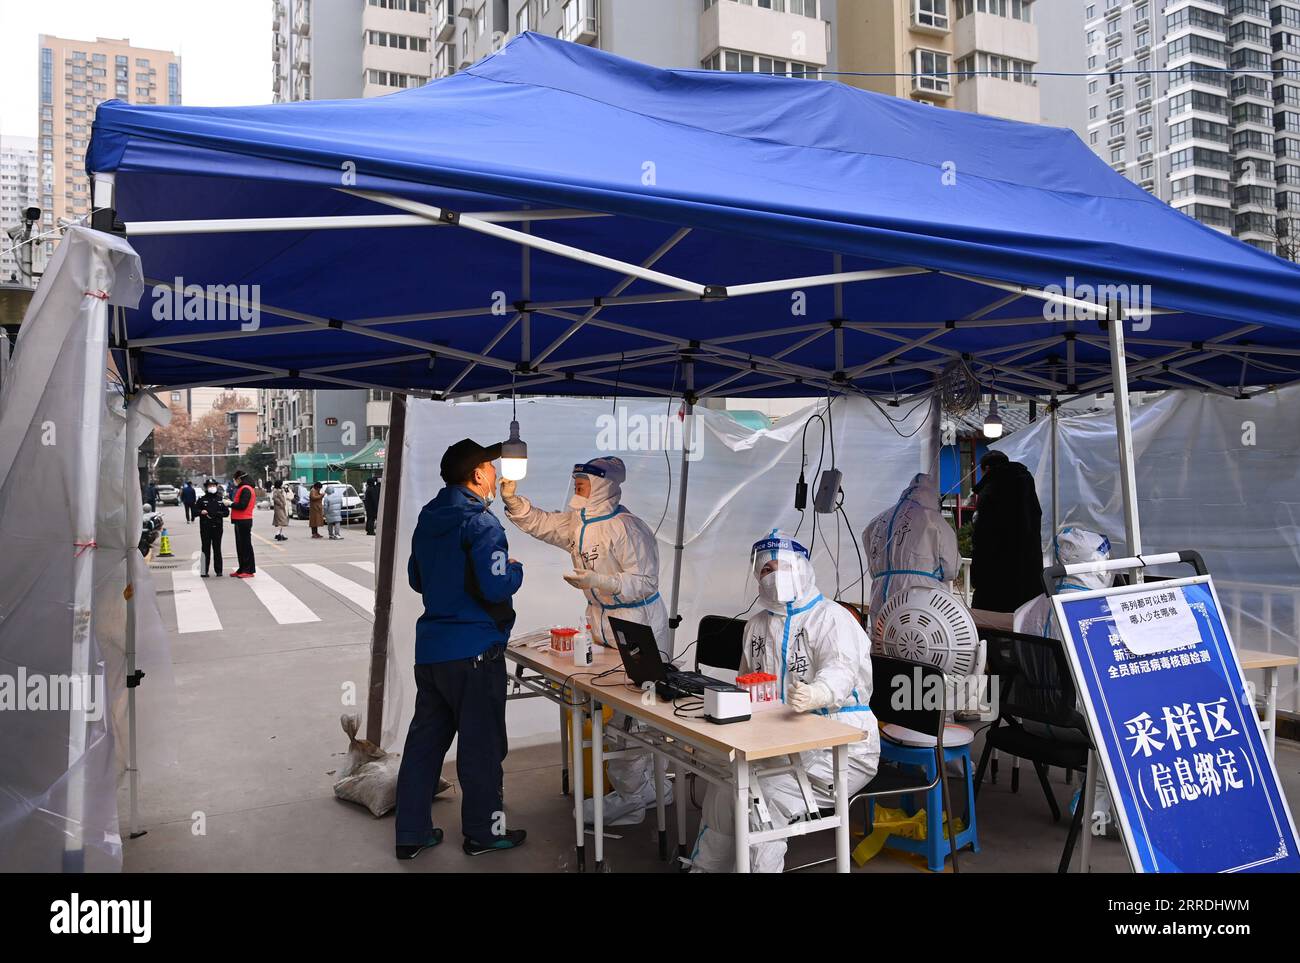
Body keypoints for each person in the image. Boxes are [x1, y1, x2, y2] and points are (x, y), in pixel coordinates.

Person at [690, 531, 880, 872]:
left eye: (781, 566)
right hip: (779, 743)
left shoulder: (832, 618)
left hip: (840, 747)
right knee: (722, 787)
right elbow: (746, 683)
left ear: (802, 568)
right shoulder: (757, 625)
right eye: (765, 570)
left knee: (758, 796)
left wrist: (818, 693)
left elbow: (842, 670)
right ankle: (706, 868)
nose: (773, 576)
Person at [501, 455, 671, 826]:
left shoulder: (627, 529)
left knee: (634, 720)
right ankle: (646, 788)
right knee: (615, 712)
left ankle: (634, 799)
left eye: (584, 482)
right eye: (575, 480)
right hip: (605, 625)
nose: (577, 487)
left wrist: (604, 583)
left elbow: (645, 582)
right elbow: (547, 525)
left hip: (638, 626)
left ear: (604, 485)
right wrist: (516, 503)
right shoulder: (581, 521)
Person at [395, 438, 526, 860]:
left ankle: (411, 833)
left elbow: (418, 579)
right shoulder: (481, 523)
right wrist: (515, 572)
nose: (496, 473)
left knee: (424, 745)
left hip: (432, 652)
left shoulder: (428, 518)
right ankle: (483, 835)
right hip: (474, 652)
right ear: (476, 475)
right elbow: (495, 585)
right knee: (481, 747)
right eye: (491, 467)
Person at [1012, 526, 1115, 825]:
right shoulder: (1099, 613)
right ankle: (1097, 801)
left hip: (1030, 718)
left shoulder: (1028, 610)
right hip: (1075, 724)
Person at [863, 472, 961, 634]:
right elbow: (950, 568)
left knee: (883, 641)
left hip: (880, 592)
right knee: (919, 642)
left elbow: (871, 560)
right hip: (921, 593)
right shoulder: (933, 519)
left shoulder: (878, 520)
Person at [971, 450, 1043, 612]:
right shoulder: (1025, 483)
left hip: (996, 578)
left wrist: (978, 578)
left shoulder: (991, 490)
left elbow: (983, 540)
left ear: (987, 469)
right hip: (1028, 576)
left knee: (992, 627)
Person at [195, 479, 228, 577]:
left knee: (217, 548)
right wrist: (201, 512)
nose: (212, 487)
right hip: (205, 527)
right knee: (205, 549)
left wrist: (218, 514)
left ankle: (219, 570)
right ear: (206, 487)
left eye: (213, 485)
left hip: (217, 527)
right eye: (210, 486)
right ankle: (204, 571)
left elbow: (226, 513)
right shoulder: (201, 499)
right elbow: (194, 511)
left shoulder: (220, 499)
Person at [229, 470, 257, 578]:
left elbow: (242, 505)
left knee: (246, 546)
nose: (234, 482)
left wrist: (230, 504)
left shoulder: (246, 489)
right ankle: (242, 568)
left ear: (240, 479)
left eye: (235, 479)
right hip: (239, 520)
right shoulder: (243, 488)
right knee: (240, 546)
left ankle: (249, 570)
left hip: (244, 520)